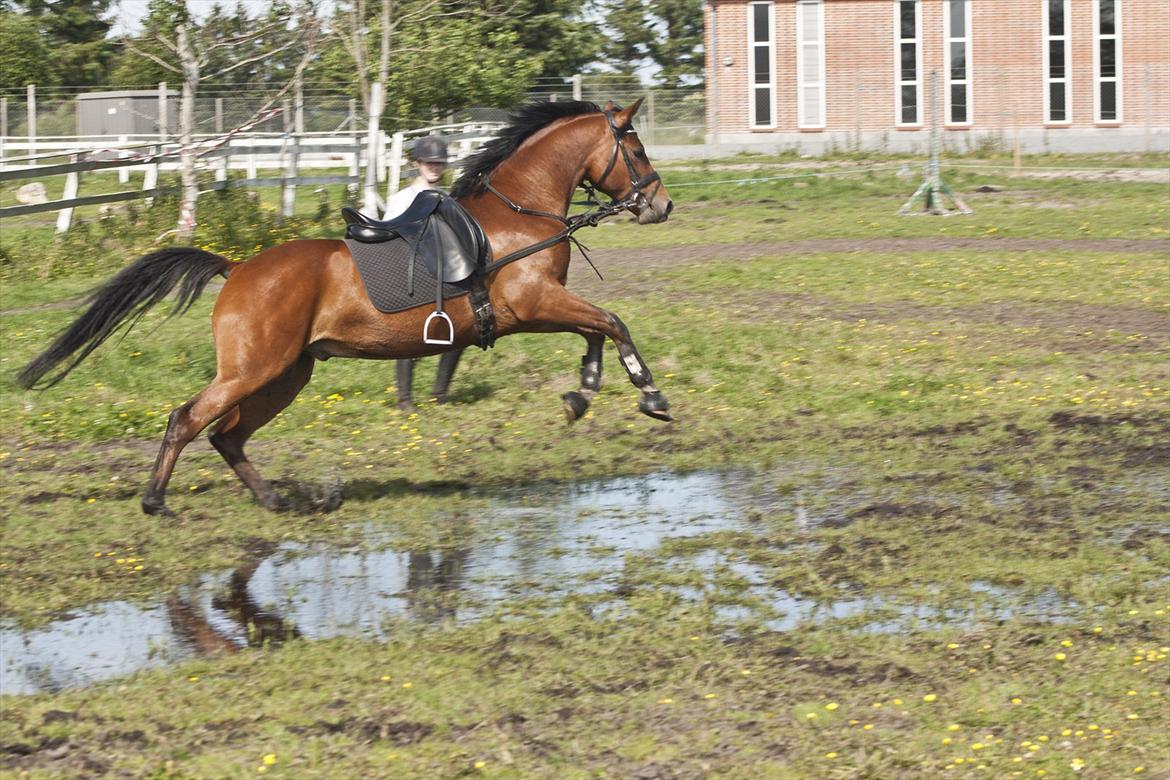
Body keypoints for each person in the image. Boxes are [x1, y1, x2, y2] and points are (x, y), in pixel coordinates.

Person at [383, 135, 463, 411]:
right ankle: (404, 399)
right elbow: (389, 237)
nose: (434, 167)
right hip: (411, 271)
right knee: (411, 334)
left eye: (439, 162)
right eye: (429, 162)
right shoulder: (403, 199)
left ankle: (439, 394)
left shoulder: (448, 197)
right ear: (418, 164)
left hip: (444, 272)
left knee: (463, 330)